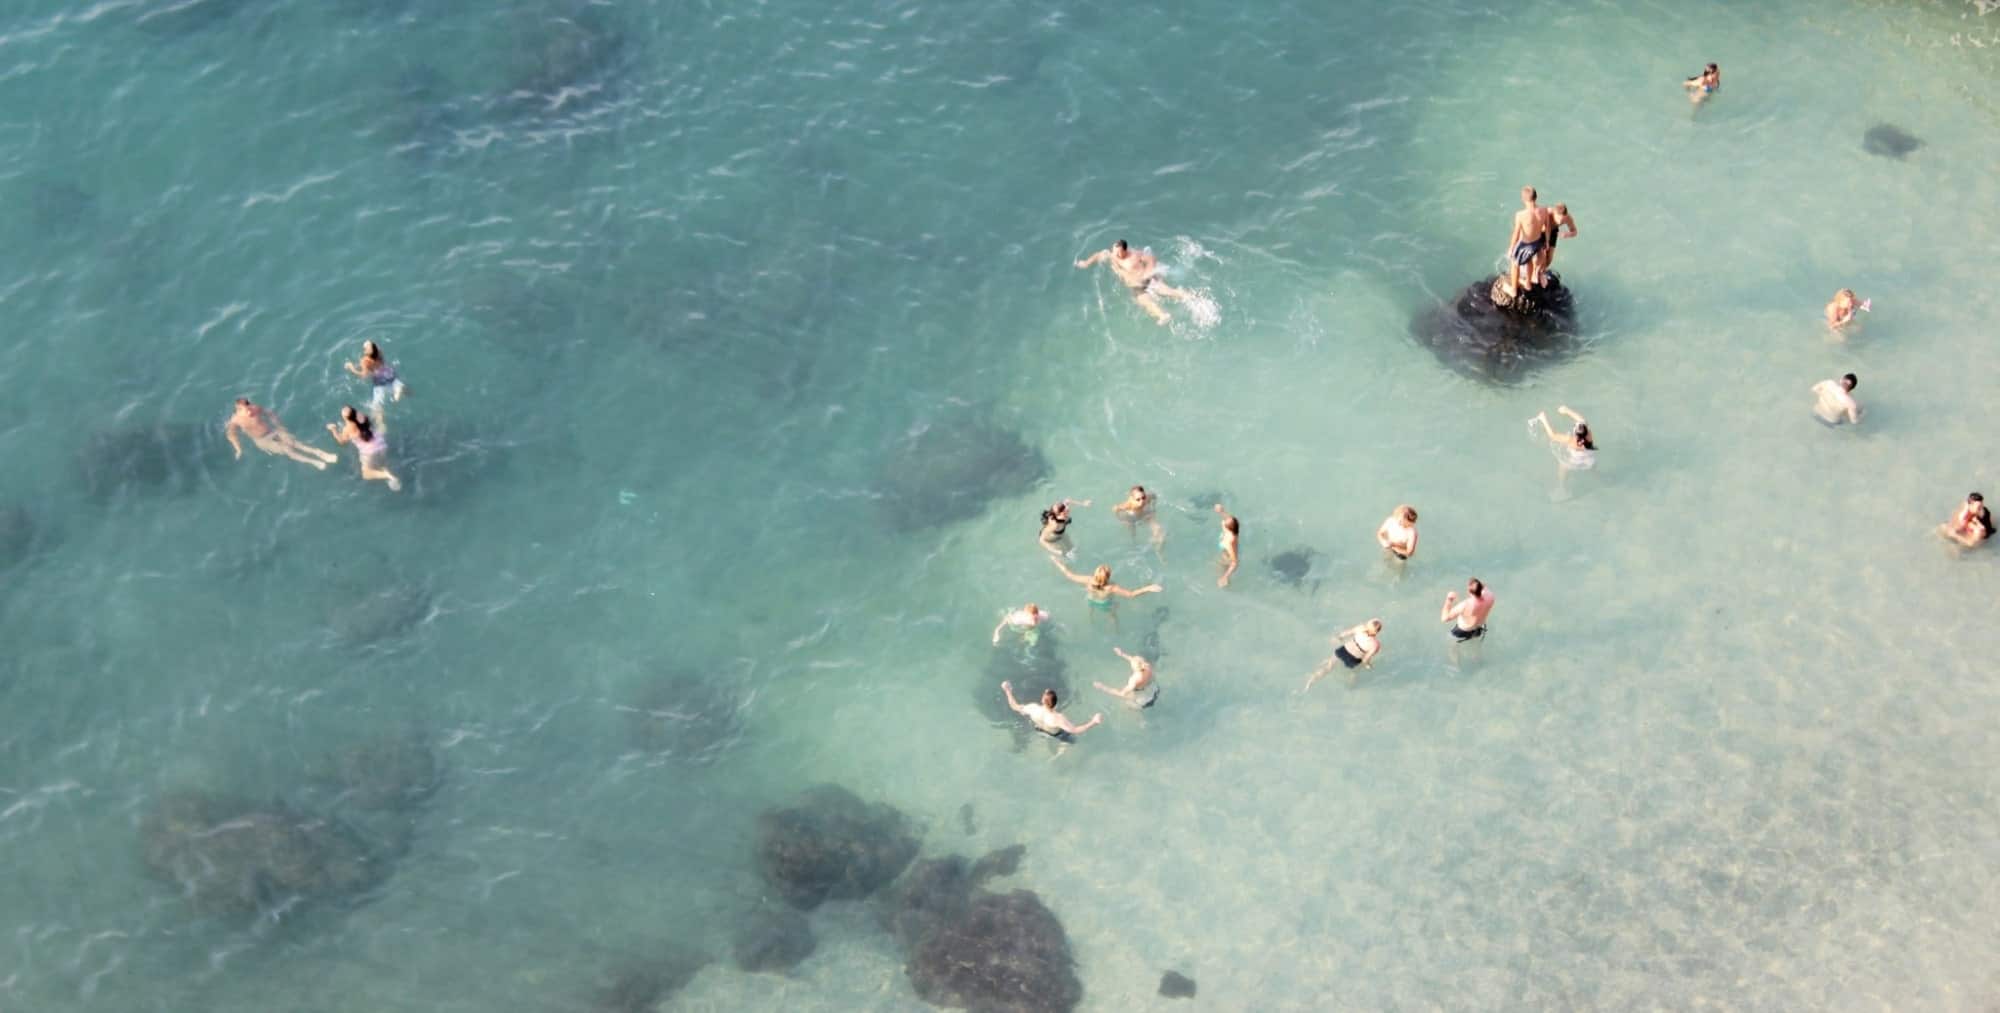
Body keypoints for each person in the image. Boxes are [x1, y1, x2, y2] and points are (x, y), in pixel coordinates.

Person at [1075, 239, 1192, 326]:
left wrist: (1148, 272)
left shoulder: (1135, 255)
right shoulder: (1113, 256)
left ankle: (1189, 296)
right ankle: (1163, 315)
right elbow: (1098, 255)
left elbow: (1151, 258)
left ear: (1125, 250)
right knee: (1145, 302)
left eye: (1118, 252)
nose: (1115, 254)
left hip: (1147, 280)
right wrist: (1086, 263)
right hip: (1136, 287)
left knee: (1167, 292)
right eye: (1114, 251)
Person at [224, 397, 336, 470]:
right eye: (246, 410)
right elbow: (231, 435)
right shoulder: (235, 420)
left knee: (295, 443)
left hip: (272, 431)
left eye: (249, 408)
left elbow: (270, 414)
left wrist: (280, 427)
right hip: (262, 440)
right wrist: (238, 449)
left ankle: (321, 453)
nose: (250, 412)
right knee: (288, 451)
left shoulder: (255, 408)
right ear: (238, 410)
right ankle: (314, 462)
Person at [1049, 558, 1162, 619]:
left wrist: (1057, 562)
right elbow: (1131, 594)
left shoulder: (1088, 581)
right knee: (1112, 616)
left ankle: (1090, 620)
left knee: (1090, 612)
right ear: (1108, 577)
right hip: (1105, 604)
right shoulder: (1111, 588)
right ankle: (1115, 630)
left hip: (1091, 600)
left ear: (1095, 574)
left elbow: (1069, 574)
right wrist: (1148, 588)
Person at [326, 405, 402, 491]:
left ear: (346, 418)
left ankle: (387, 475)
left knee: (366, 474)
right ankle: (385, 471)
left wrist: (333, 430)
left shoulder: (347, 429)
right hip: (381, 443)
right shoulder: (363, 418)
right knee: (380, 463)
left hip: (370, 451)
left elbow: (342, 442)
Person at [1000, 681, 1102, 742]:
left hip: (1039, 729)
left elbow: (1014, 706)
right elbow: (1075, 730)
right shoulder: (1058, 718)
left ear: (1042, 700)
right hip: (1057, 734)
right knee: (1072, 740)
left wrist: (1007, 691)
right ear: (1055, 703)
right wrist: (1094, 722)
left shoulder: (1033, 708)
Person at [1303, 619, 1384, 690]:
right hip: (1354, 659)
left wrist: (1338, 637)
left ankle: (1310, 682)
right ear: (1377, 632)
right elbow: (1365, 659)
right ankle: (1350, 688)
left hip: (1343, 651)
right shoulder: (1375, 645)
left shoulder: (1360, 628)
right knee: (1354, 673)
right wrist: (1368, 665)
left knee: (1328, 668)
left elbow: (1345, 633)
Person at [1506, 186, 1550, 295]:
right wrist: (1547, 242)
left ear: (1523, 199)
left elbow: (1516, 232)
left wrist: (1511, 248)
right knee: (1529, 260)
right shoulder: (1544, 210)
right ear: (1536, 197)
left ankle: (1513, 290)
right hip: (1537, 243)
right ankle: (1528, 284)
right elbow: (1548, 227)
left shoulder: (1520, 215)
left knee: (1514, 263)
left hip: (1526, 244)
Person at [1533, 405, 1597, 476]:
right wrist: (1567, 411)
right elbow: (1582, 420)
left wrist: (1543, 419)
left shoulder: (1571, 440)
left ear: (1576, 435)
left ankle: (1561, 485)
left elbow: (1553, 435)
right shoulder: (1589, 434)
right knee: (1591, 467)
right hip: (1590, 459)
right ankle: (1596, 475)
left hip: (1575, 461)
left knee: (1562, 465)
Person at [343, 339, 406, 409]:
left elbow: (364, 375)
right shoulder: (379, 352)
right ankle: (398, 392)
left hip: (379, 380)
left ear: (365, 352)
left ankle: (380, 417)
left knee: (376, 407)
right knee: (397, 385)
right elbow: (374, 348)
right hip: (388, 373)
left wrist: (351, 368)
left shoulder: (364, 361)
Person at [1094, 646, 1160, 708]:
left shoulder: (1134, 680)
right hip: (1154, 691)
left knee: (1126, 706)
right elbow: (1134, 660)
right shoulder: (1147, 666)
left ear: (1134, 667)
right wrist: (1122, 654)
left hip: (1143, 700)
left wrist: (1103, 687)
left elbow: (1121, 694)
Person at [1441, 578, 1497, 644]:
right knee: (1475, 649)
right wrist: (1478, 585)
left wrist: (1449, 599)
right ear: (1482, 588)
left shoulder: (1465, 605)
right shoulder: (1490, 596)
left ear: (1469, 591)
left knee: (1451, 645)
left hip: (1462, 631)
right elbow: (1483, 586)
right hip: (1479, 629)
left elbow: (1444, 618)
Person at [1113, 485, 1164, 549]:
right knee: (1133, 532)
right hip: (1131, 517)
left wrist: (1154, 508)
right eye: (1138, 499)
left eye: (1143, 497)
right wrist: (1121, 520)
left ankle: (1157, 545)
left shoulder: (1148, 498)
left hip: (1145, 514)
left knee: (1158, 529)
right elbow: (1115, 508)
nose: (1142, 501)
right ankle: (1134, 543)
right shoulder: (1128, 505)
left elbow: (1154, 496)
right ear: (1132, 499)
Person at [1537, 203, 1579, 281]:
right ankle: (1535, 273)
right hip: (1541, 231)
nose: (1560, 222)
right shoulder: (1548, 212)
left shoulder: (1568, 218)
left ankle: (1541, 272)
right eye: (1558, 219)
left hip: (1553, 232)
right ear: (1554, 213)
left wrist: (1567, 234)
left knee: (1549, 258)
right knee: (1542, 256)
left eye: (1562, 220)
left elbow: (1575, 231)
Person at [1213, 503, 1240, 587]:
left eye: (1224, 522)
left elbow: (1235, 563)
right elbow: (1230, 519)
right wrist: (1221, 511)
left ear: (1228, 528)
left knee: (1216, 570)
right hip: (1225, 551)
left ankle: (1226, 584)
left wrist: (1225, 576)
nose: (1223, 521)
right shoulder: (1234, 528)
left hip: (1226, 558)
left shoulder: (1229, 543)